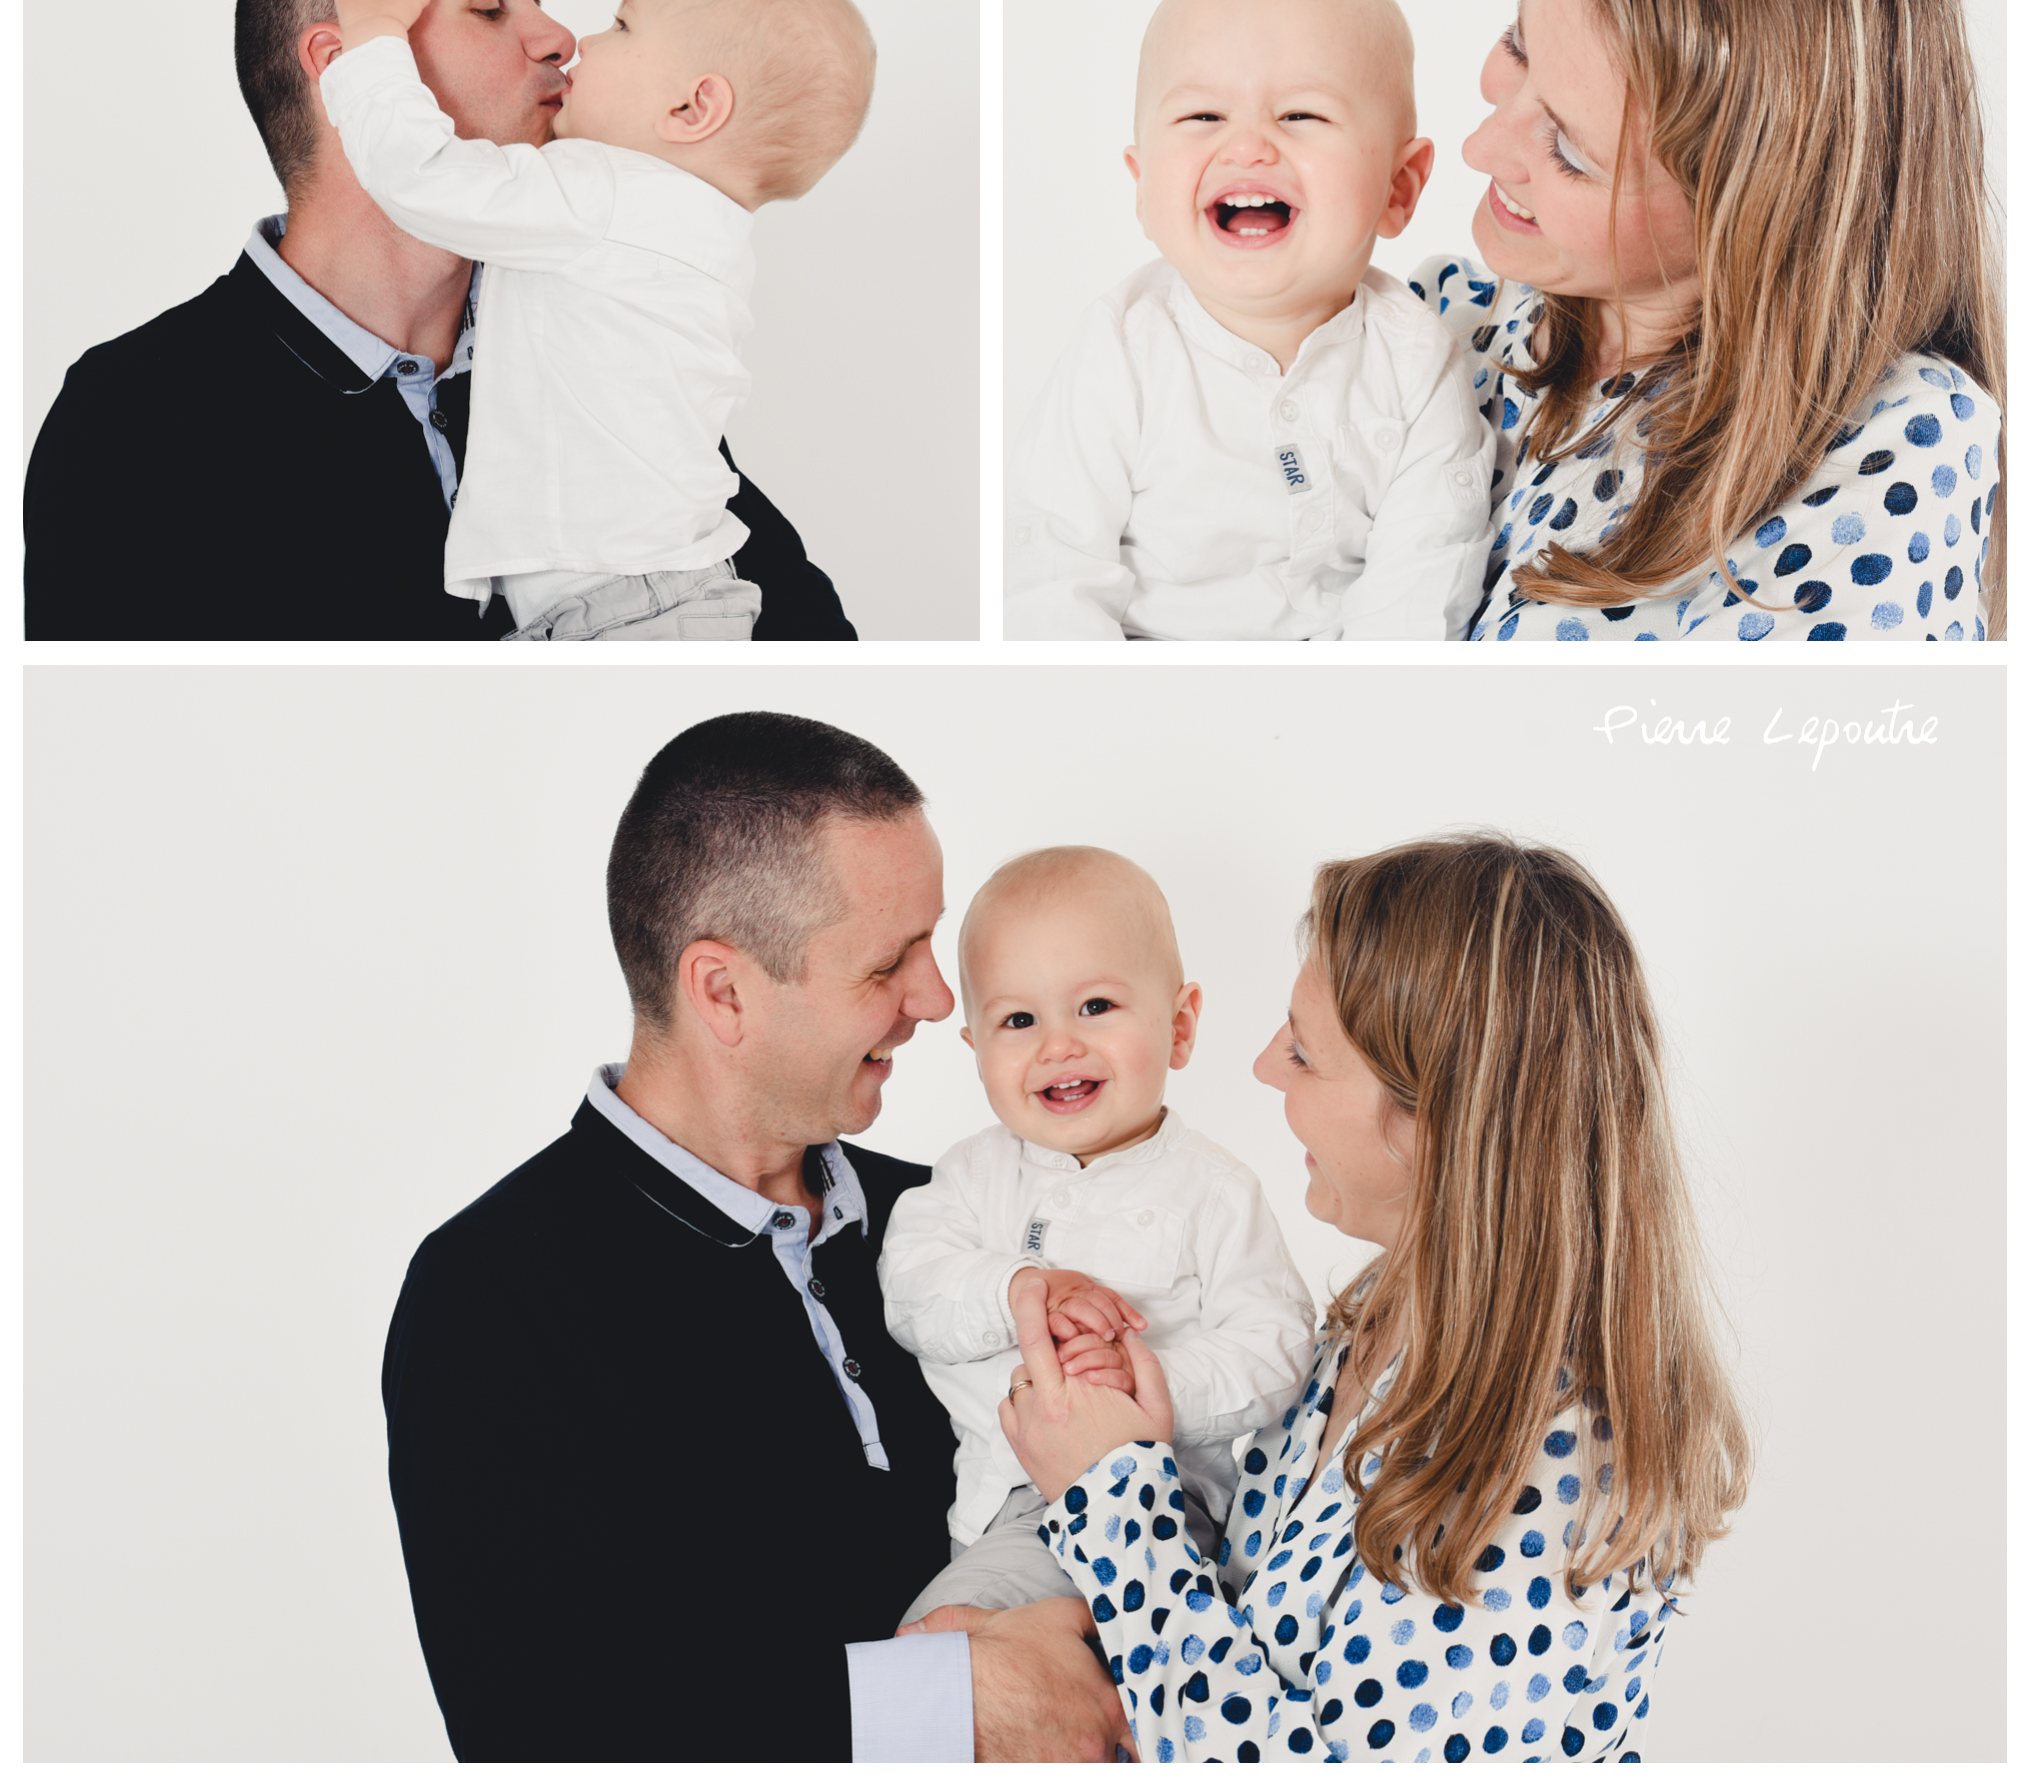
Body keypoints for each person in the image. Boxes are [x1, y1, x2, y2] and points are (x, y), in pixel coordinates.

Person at [381, 712, 1134, 1761]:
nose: (937, 997)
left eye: (933, 939)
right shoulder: (492, 1293)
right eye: (888, 963)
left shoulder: (959, 1223)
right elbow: (531, 1722)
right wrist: (940, 1702)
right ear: (723, 992)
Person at [951, 834, 1750, 1762]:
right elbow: (1235, 1652)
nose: (1262, 1067)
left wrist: (1113, 1494)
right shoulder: (1370, 1323)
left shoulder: (1545, 1455)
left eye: (1303, 1051)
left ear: (1428, 1119)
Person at [23, 0, 855, 642]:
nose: (560, 38)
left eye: (540, 2)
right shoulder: (133, 420)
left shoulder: (596, 351)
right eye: (492, 7)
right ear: (349, 63)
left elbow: (807, 647)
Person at [1412, 0, 2006, 641]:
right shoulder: (1441, 324)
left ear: (1749, 222)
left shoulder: (1887, 446)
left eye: (1573, 154)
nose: (1479, 148)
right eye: (1518, 45)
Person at [318, 0, 874, 640]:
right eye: (491, 7)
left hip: (626, 605)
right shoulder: (690, 229)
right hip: (659, 595)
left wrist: (372, 34)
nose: (577, 40)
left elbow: (420, 175)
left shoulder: (610, 195)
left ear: (690, 108)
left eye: (621, 24)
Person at [1006, 0, 1494, 641]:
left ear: (1398, 187)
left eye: (1300, 115)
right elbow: (1048, 564)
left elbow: (1424, 575)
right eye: (1202, 117)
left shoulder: (1418, 359)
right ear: (1141, 188)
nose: (1248, 147)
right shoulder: (1121, 348)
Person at [880, 846, 1315, 1621]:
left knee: (936, 1659)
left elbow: (1276, 1345)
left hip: (1165, 1506)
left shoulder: (1213, 1189)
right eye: (1018, 1019)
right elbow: (911, 1294)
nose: (1057, 1045)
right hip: (1006, 1513)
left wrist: (1142, 1381)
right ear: (975, 1051)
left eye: (1095, 1007)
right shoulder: (968, 1180)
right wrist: (1019, 1288)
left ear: (1179, 1026)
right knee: (967, 1677)